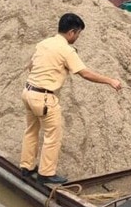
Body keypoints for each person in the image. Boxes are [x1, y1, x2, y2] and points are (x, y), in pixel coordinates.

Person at [20, 13, 122, 185]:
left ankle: (27, 167)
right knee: (53, 135)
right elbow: (84, 73)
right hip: (45, 97)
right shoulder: (66, 50)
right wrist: (110, 81)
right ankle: (46, 173)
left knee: (31, 130)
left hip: (28, 92)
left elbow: (31, 65)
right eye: (78, 34)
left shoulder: (44, 43)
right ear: (72, 32)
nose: (77, 37)